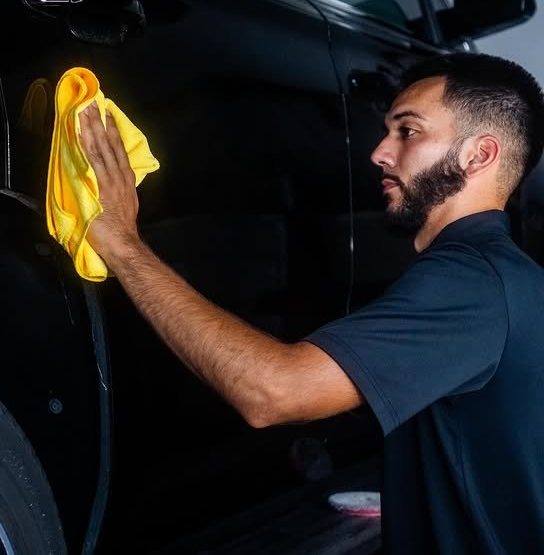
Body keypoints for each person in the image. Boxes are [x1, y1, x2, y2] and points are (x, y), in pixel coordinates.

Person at [78, 52, 544, 554]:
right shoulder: (509, 276)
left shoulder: (471, 283)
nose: (379, 152)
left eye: (407, 132)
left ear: (479, 155)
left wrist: (123, 243)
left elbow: (273, 393)